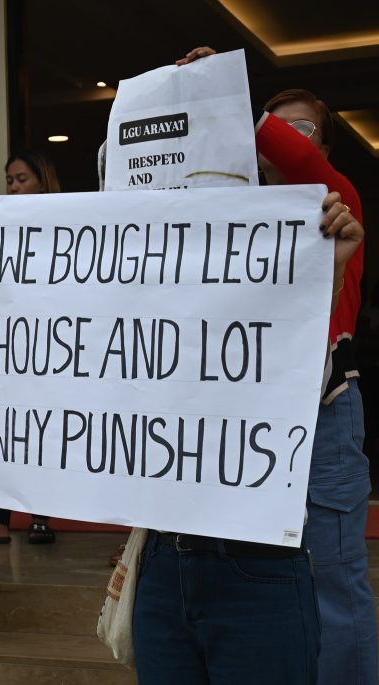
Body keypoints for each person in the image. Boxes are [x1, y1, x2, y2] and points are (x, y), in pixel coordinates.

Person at [0, 174, 363, 685]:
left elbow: (298, 372)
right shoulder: (132, 334)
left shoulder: (265, 335)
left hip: (258, 568)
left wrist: (325, 270)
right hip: (163, 565)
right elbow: (65, 346)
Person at [179, 46, 373, 684]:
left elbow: (298, 163)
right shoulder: (235, 220)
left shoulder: (337, 202)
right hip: (250, 422)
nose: (286, 138)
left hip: (324, 415)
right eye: (275, 125)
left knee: (332, 579)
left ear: (324, 147)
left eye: (302, 128)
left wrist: (227, 95)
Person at [0, 150, 63, 546]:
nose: (13, 187)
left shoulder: (63, 224)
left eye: (21, 179)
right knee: (8, 429)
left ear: (43, 182)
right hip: (10, 342)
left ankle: (40, 517)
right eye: (9, 180)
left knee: (42, 430)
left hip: (49, 340)